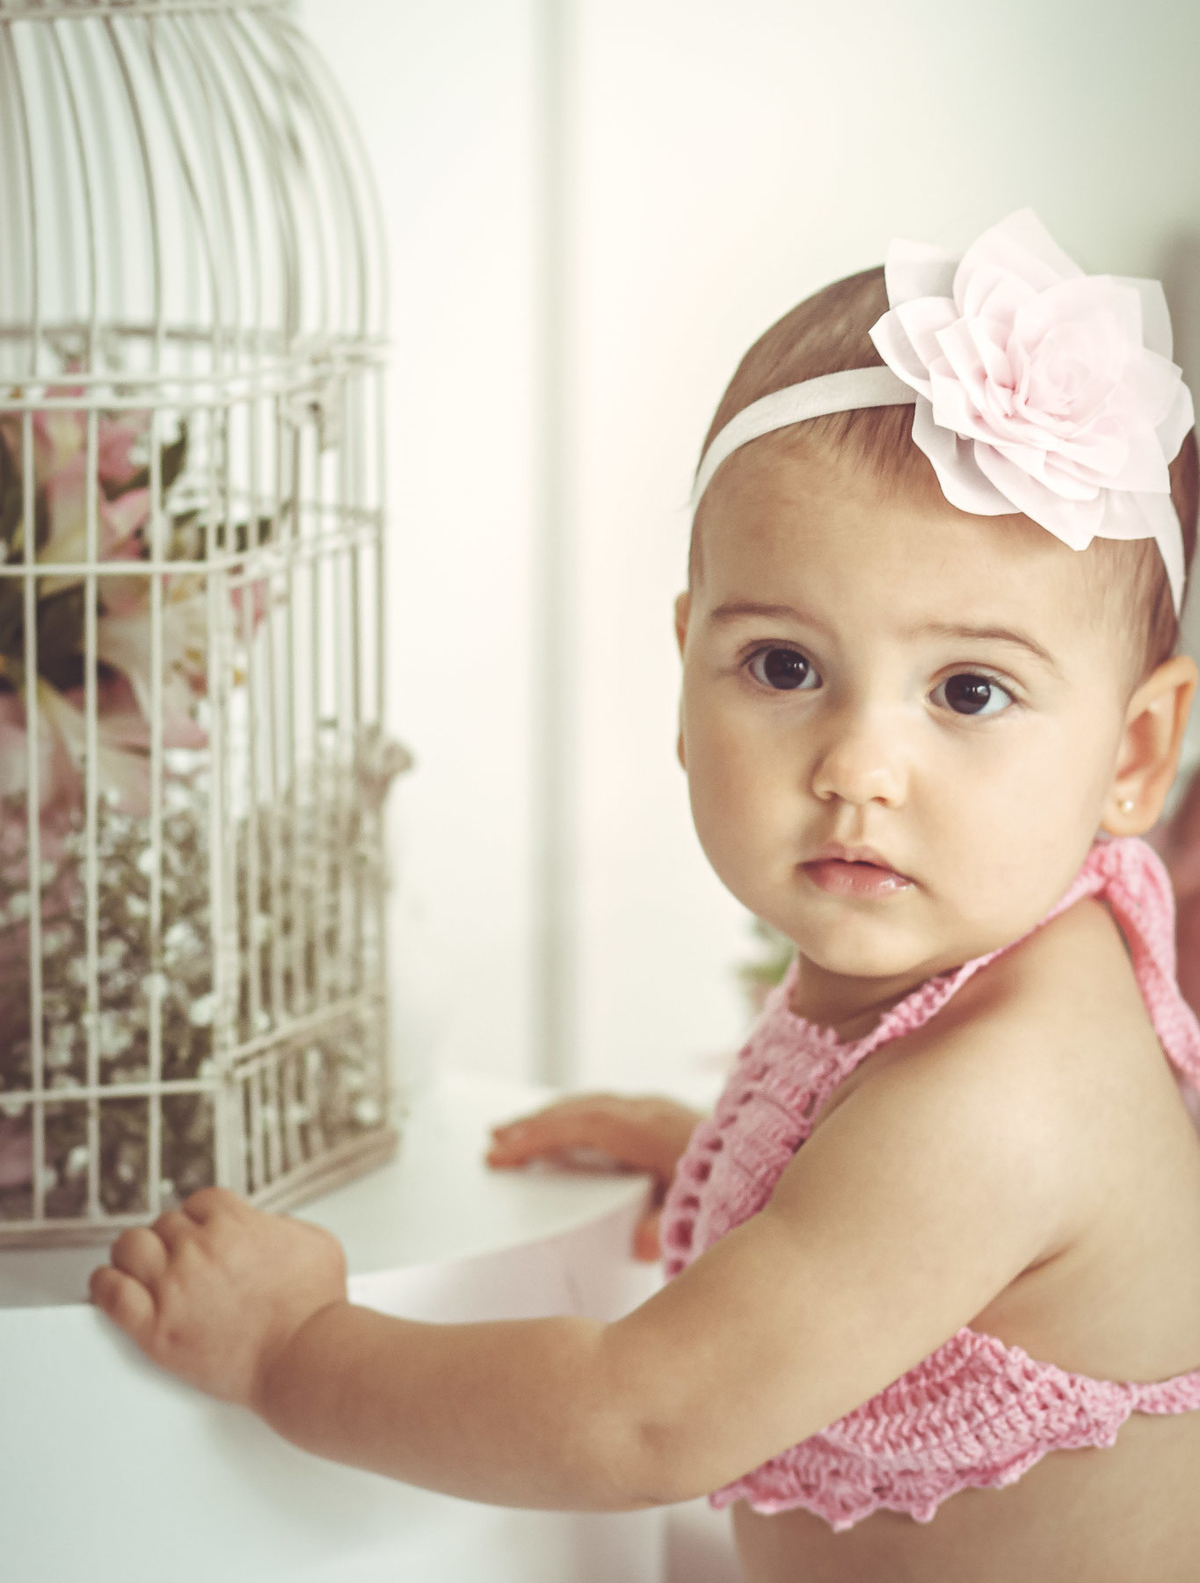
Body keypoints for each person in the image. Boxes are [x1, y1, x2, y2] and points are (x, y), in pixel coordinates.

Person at [91, 210, 1200, 1582]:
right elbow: (905, 1241)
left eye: (970, 691)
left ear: (1136, 753)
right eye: (784, 666)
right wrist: (740, 1169)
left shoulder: (1004, 1098)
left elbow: (640, 1417)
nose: (859, 766)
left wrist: (294, 1352)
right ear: (687, 669)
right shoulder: (965, 978)